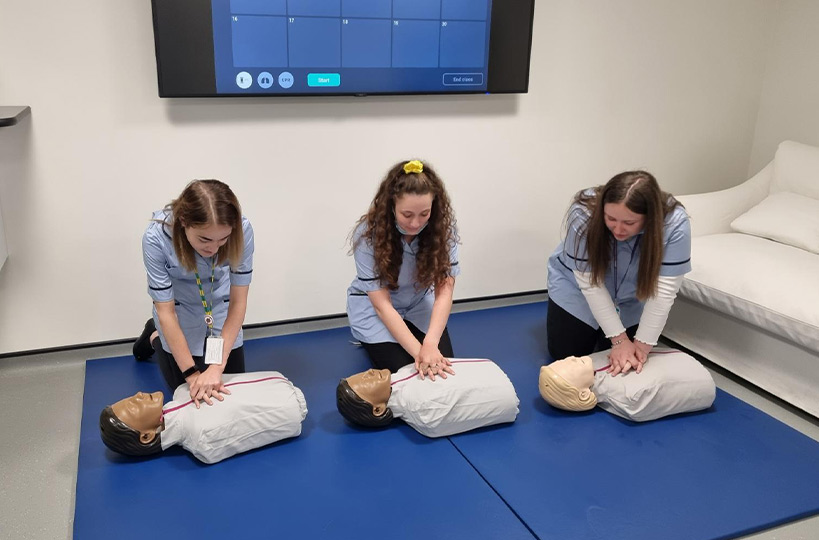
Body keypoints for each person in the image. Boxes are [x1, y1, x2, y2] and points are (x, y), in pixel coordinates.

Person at [546, 171, 691, 376]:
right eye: (610, 218)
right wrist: (620, 340)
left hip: (632, 295)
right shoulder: (583, 213)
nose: (618, 229)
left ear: (650, 217)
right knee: (567, 355)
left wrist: (640, 348)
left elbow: (664, 292)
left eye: (629, 223)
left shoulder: (674, 223)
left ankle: (609, 333)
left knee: (629, 363)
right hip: (577, 289)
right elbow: (590, 284)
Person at [133, 179, 254, 407]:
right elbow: (166, 312)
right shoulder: (155, 238)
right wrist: (192, 375)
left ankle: (161, 332)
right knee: (188, 394)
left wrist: (216, 367)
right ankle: (155, 334)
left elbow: (238, 303)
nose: (214, 249)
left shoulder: (243, 229)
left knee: (226, 392)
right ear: (183, 222)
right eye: (205, 239)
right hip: (177, 308)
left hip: (217, 303)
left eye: (223, 239)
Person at [347, 159, 460, 379]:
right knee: (406, 372)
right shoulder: (367, 236)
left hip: (418, 302)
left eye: (424, 214)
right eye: (407, 215)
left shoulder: (444, 229)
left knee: (444, 367)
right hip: (376, 311)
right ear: (390, 206)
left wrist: (430, 343)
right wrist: (421, 354)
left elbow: (444, 292)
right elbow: (382, 306)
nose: (416, 223)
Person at [99, 372, 307, 464]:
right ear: (146, 436)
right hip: (289, 404)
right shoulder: (203, 437)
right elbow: (256, 427)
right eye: (133, 406)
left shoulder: (182, 391)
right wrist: (293, 411)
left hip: (278, 382)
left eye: (130, 398)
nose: (138, 395)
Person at [336, 359, 519, 438]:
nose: (368, 372)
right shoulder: (424, 409)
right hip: (506, 393)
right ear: (378, 409)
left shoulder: (402, 373)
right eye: (364, 381)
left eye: (361, 374)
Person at [538, 349, 715, 422]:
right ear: (583, 394)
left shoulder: (593, 362)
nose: (570, 359)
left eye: (562, 361)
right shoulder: (632, 396)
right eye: (567, 367)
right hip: (700, 377)